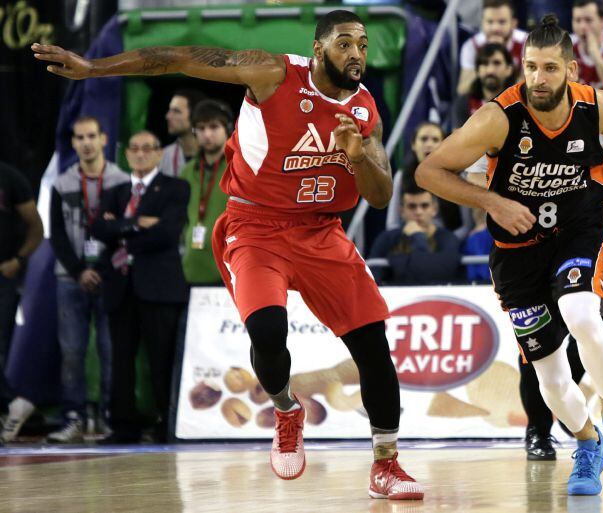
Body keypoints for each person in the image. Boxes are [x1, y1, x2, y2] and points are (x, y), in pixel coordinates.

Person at [33, 9, 425, 499]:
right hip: (256, 225)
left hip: (322, 232)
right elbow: (176, 58)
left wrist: (358, 156)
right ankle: (286, 409)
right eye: (345, 43)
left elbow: (382, 194)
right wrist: (94, 68)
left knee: (372, 344)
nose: (357, 54)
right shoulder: (273, 72)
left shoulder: (366, 110)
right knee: (266, 329)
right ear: (320, 48)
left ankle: (386, 464)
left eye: (364, 45)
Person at [416, 14, 603, 495]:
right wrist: (492, 200)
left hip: (576, 230)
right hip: (517, 252)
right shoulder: (497, 118)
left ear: (571, 70)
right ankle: (587, 443)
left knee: (580, 312)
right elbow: (429, 172)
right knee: (551, 374)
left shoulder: (596, 106)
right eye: (530, 67)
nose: (537, 79)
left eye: (548, 69)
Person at [91, 131, 190, 444]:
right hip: (120, 287)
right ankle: (123, 425)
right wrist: (136, 223)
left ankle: (166, 422)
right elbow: (98, 229)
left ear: (160, 154)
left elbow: (167, 233)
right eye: (134, 148)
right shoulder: (117, 190)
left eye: (148, 148)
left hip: (159, 288)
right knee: (121, 359)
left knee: (161, 358)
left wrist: (120, 226)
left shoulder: (175, 187)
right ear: (126, 154)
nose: (140, 154)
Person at [47, 116, 128, 443]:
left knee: (111, 350)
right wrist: (81, 270)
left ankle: (109, 416)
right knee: (72, 351)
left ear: (104, 138)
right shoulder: (62, 183)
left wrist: (101, 269)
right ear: (73, 143)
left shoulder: (121, 181)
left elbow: (123, 231)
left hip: (109, 278)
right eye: (79, 137)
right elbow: (56, 234)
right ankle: (73, 417)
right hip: (70, 278)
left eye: (92, 135)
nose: (86, 142)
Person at [0, 161, 42, 442]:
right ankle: (11, 403)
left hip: (3, 274)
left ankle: (11, 404)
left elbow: (36, 226)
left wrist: (20, 260)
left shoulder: (10, 177)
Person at [179, 99, 232, 285]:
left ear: (227, 129)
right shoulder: (187, 171)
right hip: (191, 268)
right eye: (200, 128)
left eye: (214, 126)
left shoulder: (240, 169)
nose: (207, 134)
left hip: (230, 268)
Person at [369, 186, 461, 285]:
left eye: (424, 206)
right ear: (402, 211)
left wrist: (418, 237)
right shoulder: (387, 238)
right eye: (412, 206)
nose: (418, 212)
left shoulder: (448, 238)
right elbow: (373, 276)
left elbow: (431, 273)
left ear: (434, 209)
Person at [457, 0, 528, 95]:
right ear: (482, 23)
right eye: (490, 22)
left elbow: (528, 87)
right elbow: (463, 89)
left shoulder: (526, 43)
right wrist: (485, 54)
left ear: (513, 24)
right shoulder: (472, 46)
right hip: (482, 103)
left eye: (501, 22)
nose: (495, 28)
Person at [385, 121, 445, 230]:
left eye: (435, 140)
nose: (429, 144)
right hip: (408, 236)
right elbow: (392, 223)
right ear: (413, 145)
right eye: (424, 139)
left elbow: (465, 226)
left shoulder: (455, 175)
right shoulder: (402, 175)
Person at [453, 42, 516, 129]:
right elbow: (458, 140)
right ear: (477, 70)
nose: (490, 70)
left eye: (496, 63)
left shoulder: (519, 103)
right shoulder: (464, 102)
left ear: (509, 69)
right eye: (485, 63)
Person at [159, 89, 207, 178]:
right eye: (170, 110)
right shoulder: (163, 156)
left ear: (195, 115)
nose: (168, 116)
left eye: (176, 111)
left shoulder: (216, 155)